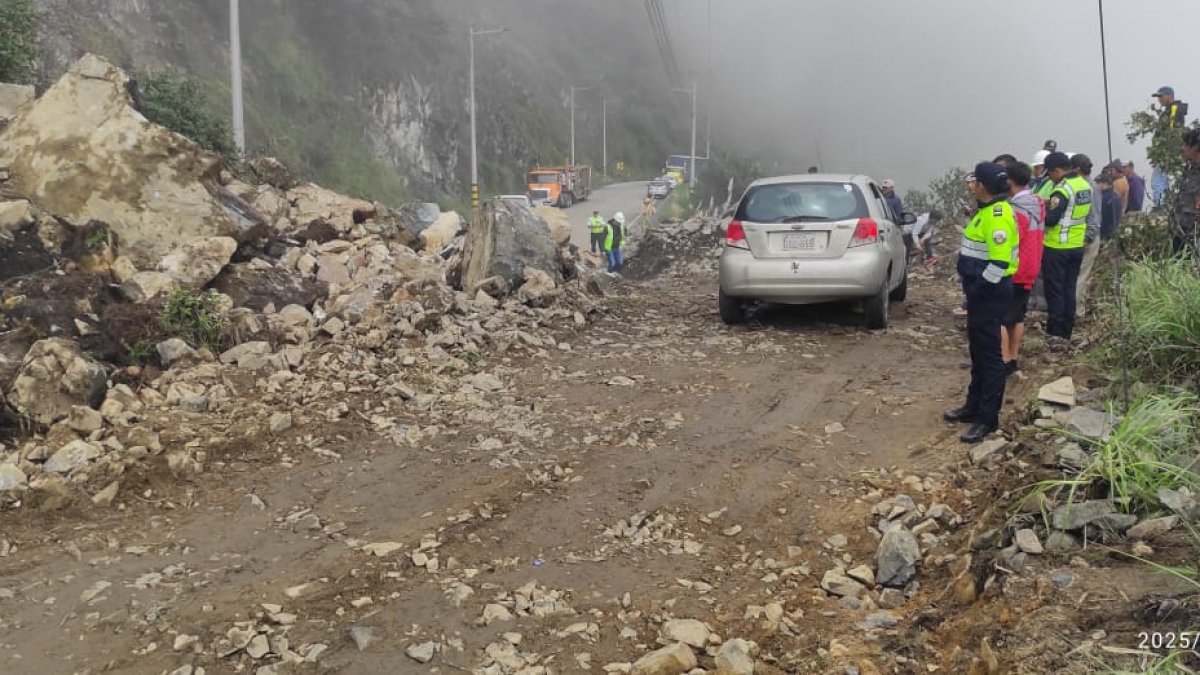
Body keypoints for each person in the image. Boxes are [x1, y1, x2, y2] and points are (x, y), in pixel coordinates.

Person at [943, 162, 1019, 444]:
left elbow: (999, 263)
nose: (970, 184)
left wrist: (978, 290)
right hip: (981, 293)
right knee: (978, 353)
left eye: (974, 180)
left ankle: (987, 419)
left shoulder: (997, 215)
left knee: (990, 358)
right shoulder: (986, 211)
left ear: (984, 186)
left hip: (990, 293)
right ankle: (972, 407)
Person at [1040, 152, 1092, 347]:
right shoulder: (1084, 185)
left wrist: (1042, 211)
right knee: (1069, 288)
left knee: (1055, 290)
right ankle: (1067, 331)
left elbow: (1052, 219)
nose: (1049, 178)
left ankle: (1056, 332)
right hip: (1076, 246)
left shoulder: (1062, 189)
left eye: (1050, 174)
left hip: (1057, 246)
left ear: (1058, 170)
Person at [1002, 162, 1044, 377]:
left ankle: (1004, 360)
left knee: (1001, 316)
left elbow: (1011, 239)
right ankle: (1013, 357)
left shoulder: (1015, 209)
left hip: (1016, 267)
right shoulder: (1037, 201)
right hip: (1032, 264)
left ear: (1010, 181)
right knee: (1017, 315)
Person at [1072, 154, 1102, 319]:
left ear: (1076, 169)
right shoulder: (1084, 185)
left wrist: (1087, 238)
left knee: (1080, 277)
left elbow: (1094, 216)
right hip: (1079, 237)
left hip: (1086, 238)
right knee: (1077, 275)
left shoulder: (1090, 187)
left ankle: (1078, 312)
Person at [1151, 86, 1189, 208]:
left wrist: (1166, 148)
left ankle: (1160, 206)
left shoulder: (1173, 109)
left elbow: (1172, 131)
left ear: (1170, 96)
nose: (1159, 100)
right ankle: (1165, 204)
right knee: (1163, 180)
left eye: (1161, 96)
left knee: (1157, 180)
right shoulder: (1169, 110)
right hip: (1167, 151)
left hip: (1167, 151)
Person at [1172, 128, 1200, 255]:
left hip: (1194, 235)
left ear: (1195, 148)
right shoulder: (1189, 169)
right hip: (1181, 232)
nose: (1182, 148)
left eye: (1185, 145)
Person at [1096, 174, 1122, 242]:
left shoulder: (1104, 198)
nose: (1097, 186)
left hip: (1105, 233)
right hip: (1114, 231)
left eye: (1098, 183)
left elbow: (1100, 217)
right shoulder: (1117, 196)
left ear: (1105, 184)